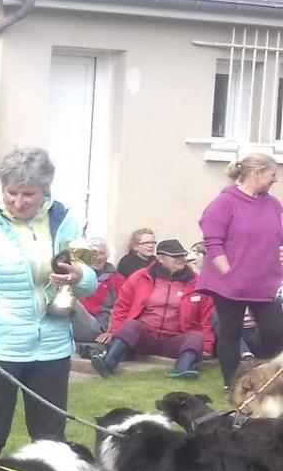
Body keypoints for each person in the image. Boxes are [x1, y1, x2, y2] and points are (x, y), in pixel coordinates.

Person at [0, 146, 98, 456]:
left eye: (28, 194)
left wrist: (80, 276)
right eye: (11, 193)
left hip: (52, 347)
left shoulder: (63, 219)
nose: (18, 202)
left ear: (45, 190)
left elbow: (88, 282)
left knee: (51, 442)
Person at [196, 152, 283, 390]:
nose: (275, 180)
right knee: (231, 333)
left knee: (277, 331)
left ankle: (274, 383)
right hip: (228, 283)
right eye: (272, 174)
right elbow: (213, 241)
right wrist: (228, 272)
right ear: (256, 174)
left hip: (264, 283)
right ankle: (231, 386)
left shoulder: (273, 205)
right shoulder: (225, 202)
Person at [93, 239, 214, 380]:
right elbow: (122, 308)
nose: (181, 259)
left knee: (196, 336)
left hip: (175, 339)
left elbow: (207, 317)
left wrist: (207, 346)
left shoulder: (197, 283)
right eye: (175, 256)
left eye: (182, 255)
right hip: (144, 337)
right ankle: (108, 363)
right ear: (161, 258)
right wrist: (115, 333)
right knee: (132, 325)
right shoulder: (139, 277)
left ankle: (181, 371)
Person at [71, 237, 123, 346]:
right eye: (93, 254)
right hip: (74, 324)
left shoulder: (116, 279)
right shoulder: (75, 276)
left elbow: (122, 307)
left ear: (107, 256)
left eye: (101, 253)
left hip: (98, 327)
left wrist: (111, 332)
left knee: (70, 300)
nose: (97, 258)